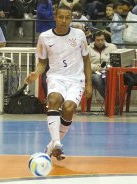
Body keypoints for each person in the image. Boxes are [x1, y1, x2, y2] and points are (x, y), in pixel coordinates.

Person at [25, 5, 92, 161]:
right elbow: (42, 63)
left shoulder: (80, 35)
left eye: (67, 17)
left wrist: (89, 83)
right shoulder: (45, 37)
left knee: (69, 109)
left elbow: (86, 59)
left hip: (76, 79)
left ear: (71, 18)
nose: (64, 20)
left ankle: (51, 147)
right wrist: (36, 73)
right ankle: (56, 143)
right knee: (54, 100)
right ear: (55, 17)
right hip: (56, 77)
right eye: (60, 17)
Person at [88, 31, 117, 99]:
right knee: (97, 78)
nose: (100, 42)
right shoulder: (88, 48)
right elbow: (85, 63)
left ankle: (111, 100)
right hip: (94, 73)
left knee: (107, 77)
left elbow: (115, 62)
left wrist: (106, 67)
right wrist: (97, 67)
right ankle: (110, 100)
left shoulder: (112, 47)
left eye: (102, 40)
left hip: (106, 71)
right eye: (98, 40)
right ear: (94, 40)